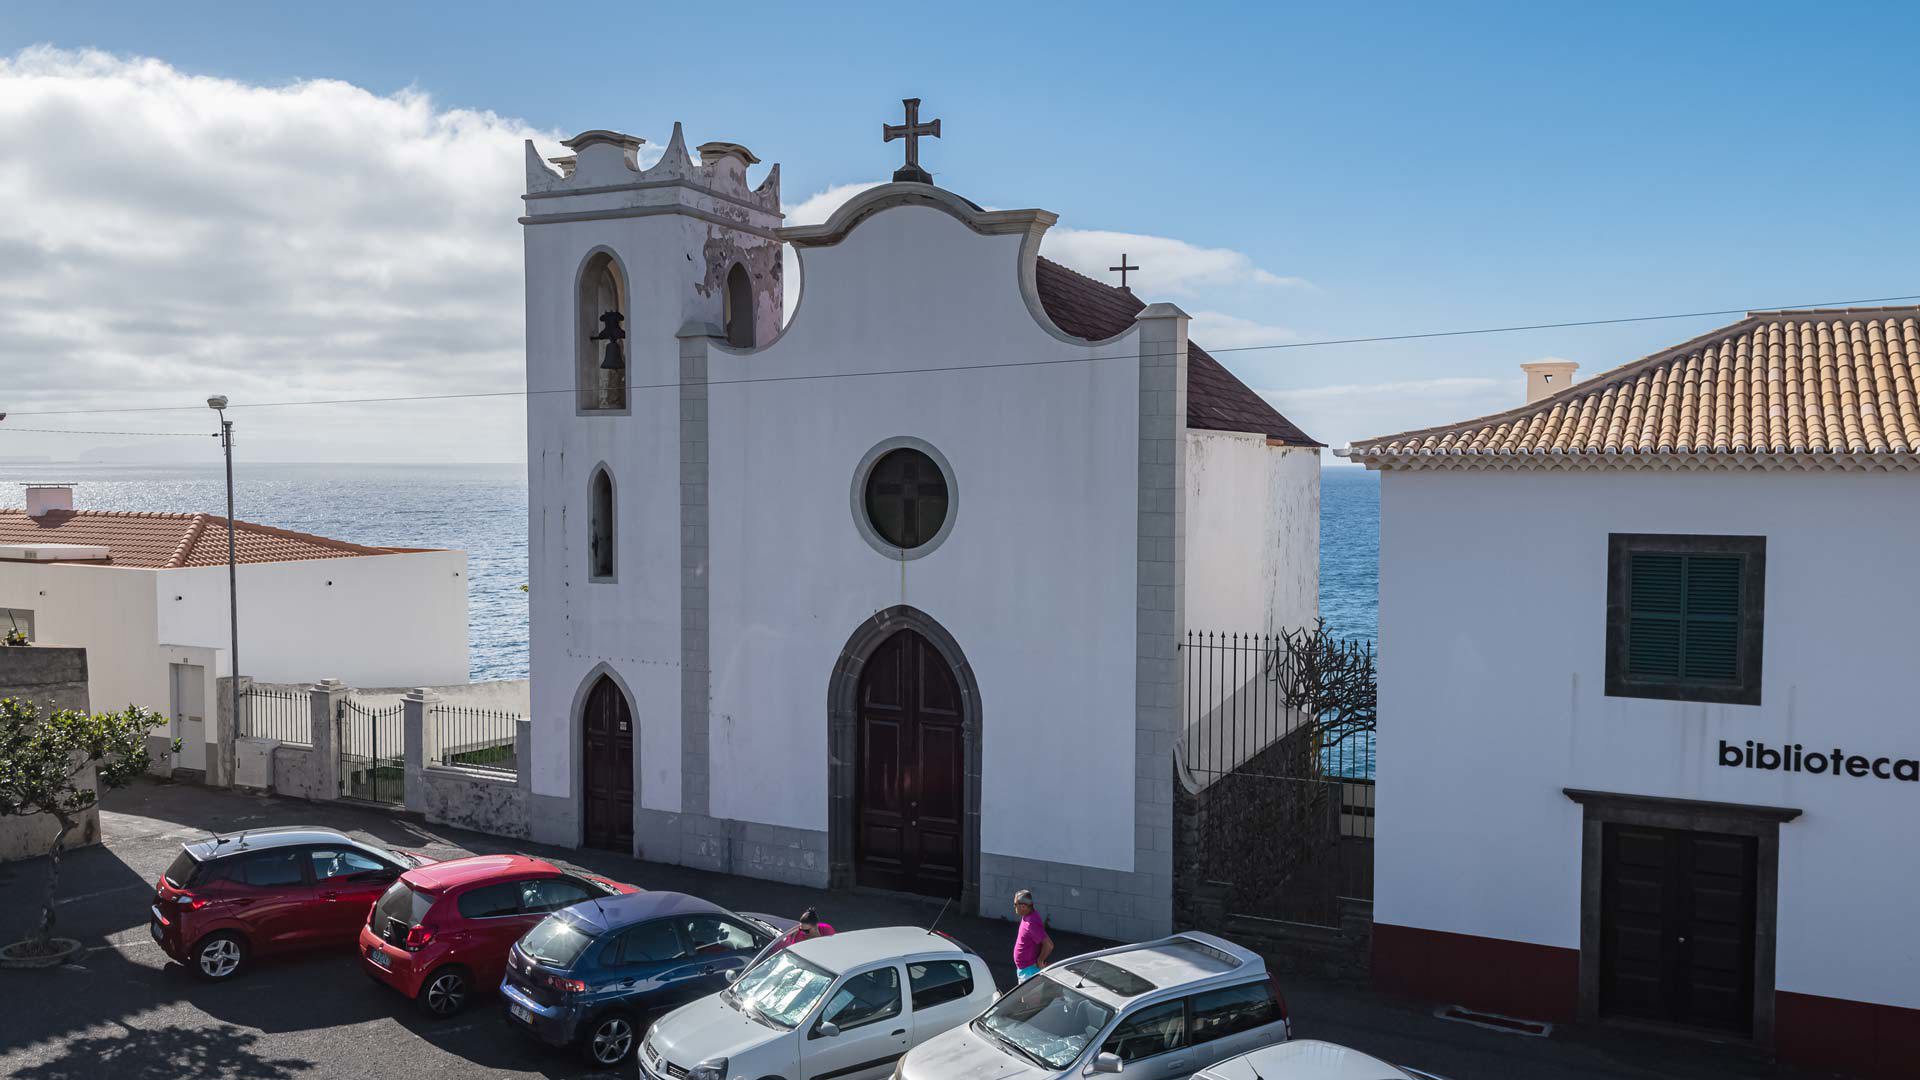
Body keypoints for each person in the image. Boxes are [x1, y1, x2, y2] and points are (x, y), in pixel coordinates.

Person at [1012, 889, 1052, 981]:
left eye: (1015, 904)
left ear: (1023, 906)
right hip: (1026, 969)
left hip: (1029, 971)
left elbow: (1049, 945)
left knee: (1029, 996)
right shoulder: (1029, 915)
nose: (1014, 906)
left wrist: (1040, 961)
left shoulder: (1031, 924)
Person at [771, 907, 835, 952]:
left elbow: (831, 947)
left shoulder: (827, 930)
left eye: (806, 931)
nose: (803, 932)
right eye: (801, 929)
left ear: (815, 926)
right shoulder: (798, 937)